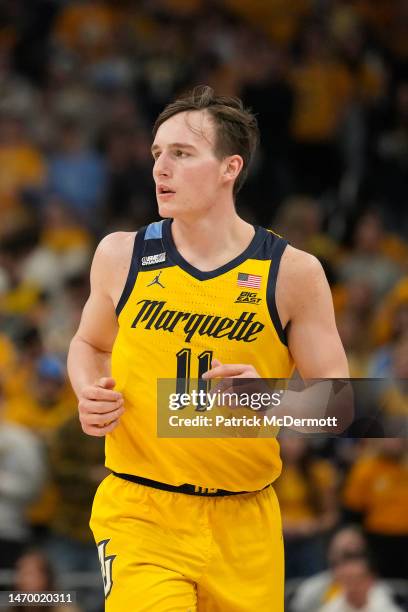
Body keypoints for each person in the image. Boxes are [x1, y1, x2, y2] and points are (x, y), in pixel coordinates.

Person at [67, 86, 349, 611]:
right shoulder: (119, 254)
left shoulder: (292, 273)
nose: (160, 169)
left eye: (181, 153)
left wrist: (265, 398)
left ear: (229, 168)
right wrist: (87, 390)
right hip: (141, 509)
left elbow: (341, 407)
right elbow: (88, 343)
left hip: (245, 519)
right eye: (156, 153)